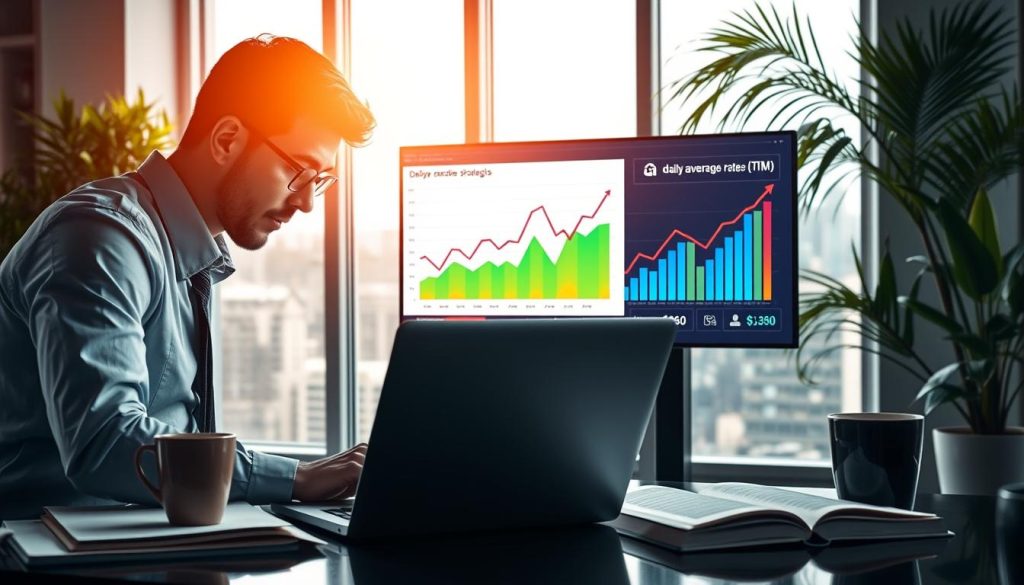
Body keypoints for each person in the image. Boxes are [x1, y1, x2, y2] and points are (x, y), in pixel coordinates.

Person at [0, 35, 375, 519]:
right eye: (299, 171)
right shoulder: (99, 238)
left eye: (319, 182)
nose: (305, 201)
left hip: (144, 539)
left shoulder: (192, 254)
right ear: (226, 139)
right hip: (47, 549)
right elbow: (106, 442)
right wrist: (297, 478)